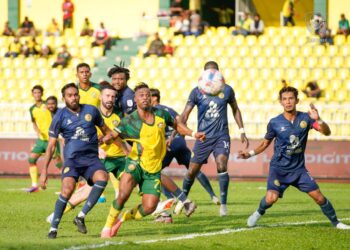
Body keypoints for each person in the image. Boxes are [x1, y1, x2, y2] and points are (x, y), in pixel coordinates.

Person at [100, 83, 205, 238]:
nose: (145, 97)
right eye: (141, 95)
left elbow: (178, 126)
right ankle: (107, 227)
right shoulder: (129, 121)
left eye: (147, 95)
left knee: (149, 207)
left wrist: (193, 133)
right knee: (122, 195)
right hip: (135, 163)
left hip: (154, 168)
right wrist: (101, 142)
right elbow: (112, 136)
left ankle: (121, 219)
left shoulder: (162, 114)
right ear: (135, 99)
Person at [238, 86, 350, 230]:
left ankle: (337, 223)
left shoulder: (306, 118)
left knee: (319, 197)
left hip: (299, 170)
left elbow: (326, 133)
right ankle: (258, 212)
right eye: (285, 99)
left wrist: (319, 119)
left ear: (297, 100)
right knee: (271, 199)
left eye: (291, 98)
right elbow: (265, 143)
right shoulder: (275, 122)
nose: (288, 102)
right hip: (279, 169)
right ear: (280, 102)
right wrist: (249, 154)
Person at [46, 84, 128, 223]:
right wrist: (98, 148)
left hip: (119, 158)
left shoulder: (118, 114)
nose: (110, 99)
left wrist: (126, 150)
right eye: (107, 96)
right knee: (87, 191)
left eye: (113, 97)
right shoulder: (90, 112)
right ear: (100, 97)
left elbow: (113, 135)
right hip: (99, 159)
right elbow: (79, 137)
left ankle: (153, 209)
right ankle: (57, 214)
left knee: (129, 184)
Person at [40, 83, 112, 239]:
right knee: (67, 190)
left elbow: (107, 132)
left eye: (75, 95)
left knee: (103, 178)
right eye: (70, 95)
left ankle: (80, 216)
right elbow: (51, 146)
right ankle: (53, 228)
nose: (73, 98)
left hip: (91, 159)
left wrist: (103, 139)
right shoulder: (59, 116)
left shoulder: (91, 110)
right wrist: (44, 171)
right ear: (64, 98)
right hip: (72, 161)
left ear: (79, 95)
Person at [180, 61, 249, 216]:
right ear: (204, 74)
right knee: (191, 171)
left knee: (221, 164)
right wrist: (175, 131)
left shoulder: (227, 90)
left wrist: (242, 130)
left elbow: (235, 109)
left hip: (221, 135)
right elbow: (185, 114)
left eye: (214, 72)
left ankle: (223, 205)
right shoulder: (196, 92)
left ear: (218, 73)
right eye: (208, 72)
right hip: (203, 137)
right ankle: (183, 200)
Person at [150, 88, 220, 214]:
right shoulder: (169, 109)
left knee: (154, 172)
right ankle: (213, 195)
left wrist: (169, 137)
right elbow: (181, 120)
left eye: (148, 96)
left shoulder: (154, 111)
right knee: (194, 170)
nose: (146, 99)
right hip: (180, 142)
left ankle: (170, 198)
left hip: (169, 143)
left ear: (155, 98)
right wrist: (180, 136)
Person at [26, 87, 62, 193]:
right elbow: (33, 122)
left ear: (42, 94)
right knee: (31, 159)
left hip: (52, 139)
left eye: (39, 92)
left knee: (59, 164)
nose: (37, 94)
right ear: (32, 94)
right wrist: (37, 131)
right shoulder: (32, 109)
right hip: (41, 140)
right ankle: (34, 186)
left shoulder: (47, 106)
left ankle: (65, 186)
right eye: (35, 93)